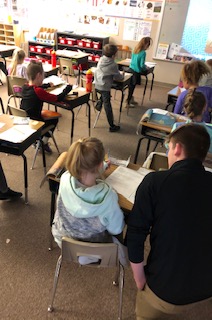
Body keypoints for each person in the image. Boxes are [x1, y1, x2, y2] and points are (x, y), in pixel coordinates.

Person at [126, 123, 212, 320]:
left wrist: (140, 280)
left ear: (178, 148)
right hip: (207, 288)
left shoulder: (154, 182)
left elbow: (135, 234)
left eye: (168, 148)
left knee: (145, 312)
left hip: (165, 292)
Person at [52, 137, 128, 265]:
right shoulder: (107, 198)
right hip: (96, 249)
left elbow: (84, 173)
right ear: (99, 165)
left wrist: (101, 167)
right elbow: (116, 229)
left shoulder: (65, 179)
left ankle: (78, 252)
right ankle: (88, 256)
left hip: (64, 240)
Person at [20, 61, 72, 153]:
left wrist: (46, 85)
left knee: (48, 116)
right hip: (35, 123)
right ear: (39, 75)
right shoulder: (38, 91)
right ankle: (42, 143)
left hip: (24, 120)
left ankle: (37, 141)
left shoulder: (24, 86)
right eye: (43, 75)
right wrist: (67, 89)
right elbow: (57, 98)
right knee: (54, 119)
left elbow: (36, 87)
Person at [94, 44, 124, 132]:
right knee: (108, 105)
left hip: (96, 84)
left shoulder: (101, 59)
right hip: (104, 87)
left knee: (104, 96)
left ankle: (99, 102)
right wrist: (122, 75)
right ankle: (112, 125)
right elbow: (118, 77)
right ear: (113, 55)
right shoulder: (113, 64)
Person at [172, 88, 212, 153]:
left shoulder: (177, 128)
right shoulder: (210, 132)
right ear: (205, 107)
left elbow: (168, 146)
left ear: (185, 108)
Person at [126, 36, 153, 108]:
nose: (148, 47)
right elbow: (141, 65)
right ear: (146, 44)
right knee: (132, 87)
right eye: (148, 45)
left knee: (130, 87)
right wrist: (145, 68)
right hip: (136, 72)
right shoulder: (143, 53)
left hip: (131, 69)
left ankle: (130, 99)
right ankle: (128, 102)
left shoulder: (135, 49)